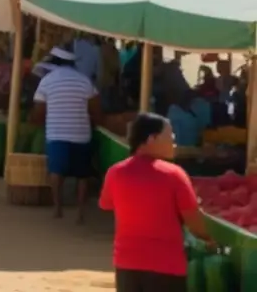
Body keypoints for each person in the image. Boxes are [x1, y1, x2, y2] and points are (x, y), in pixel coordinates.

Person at [100, 112, 216, 292]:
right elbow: (194, 221)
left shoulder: (115, 172)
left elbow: (107, 204)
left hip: (127, 263)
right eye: (170, 136)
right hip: (166, 266)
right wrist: (208, 239)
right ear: (152, 138)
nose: (174, 142)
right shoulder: (174, 175)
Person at [33, 46, 101, 222]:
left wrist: (36, 123)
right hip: (81, 133)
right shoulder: (84, 80)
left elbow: (39, 111)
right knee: (82, 175)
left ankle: (57, 208)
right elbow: (95, 110)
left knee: (56, 172)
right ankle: (80, 213)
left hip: (56, 133)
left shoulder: (46, 81)